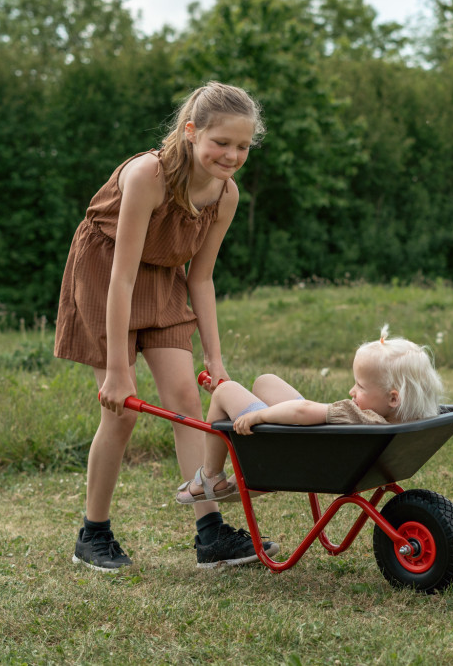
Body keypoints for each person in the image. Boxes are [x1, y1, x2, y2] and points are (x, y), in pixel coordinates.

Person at [54, 81, 278, 572]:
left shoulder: (226, 194)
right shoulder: (147, 176)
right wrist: (117, 368)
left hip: (163, 278)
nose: (232, 155)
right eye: (222, 143)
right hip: (106, 273)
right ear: (192, 131)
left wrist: (215, 360)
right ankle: (92, 534)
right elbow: (121, 277)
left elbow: (201, 278)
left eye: (243, 146)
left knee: (186, 402)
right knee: (122, 412)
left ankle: (210, 535)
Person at [177, 325, 444, 504]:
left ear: (393, 398)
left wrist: (260, 417)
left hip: (294, 461)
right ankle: (237, 466)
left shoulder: (356, 415)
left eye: (360, 386)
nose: (352, 391)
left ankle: (211, 478)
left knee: (226, 391)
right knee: (264, 382)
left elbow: (303, 411)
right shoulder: (412, 417)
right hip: (320, 455)